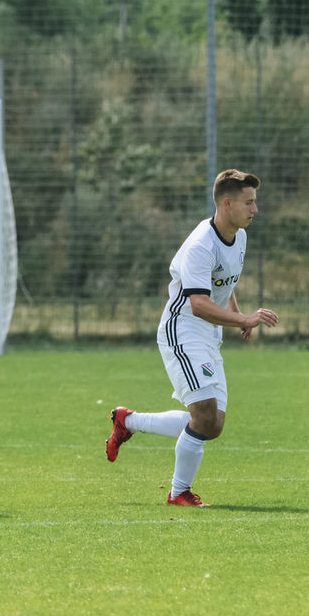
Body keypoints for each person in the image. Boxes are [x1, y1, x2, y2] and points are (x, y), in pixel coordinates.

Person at [105, 169, 279, 506]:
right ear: (227, 204)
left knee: (212, 425)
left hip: (209, 334)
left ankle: (129, 421)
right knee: (204, 414)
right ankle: (179, 492)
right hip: (182, 330)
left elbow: (224, 281)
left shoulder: (239, 236)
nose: (255, 209)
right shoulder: (201, 245)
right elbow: (198, 304)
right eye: (248, 202)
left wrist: (237, 314)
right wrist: (245, 319)